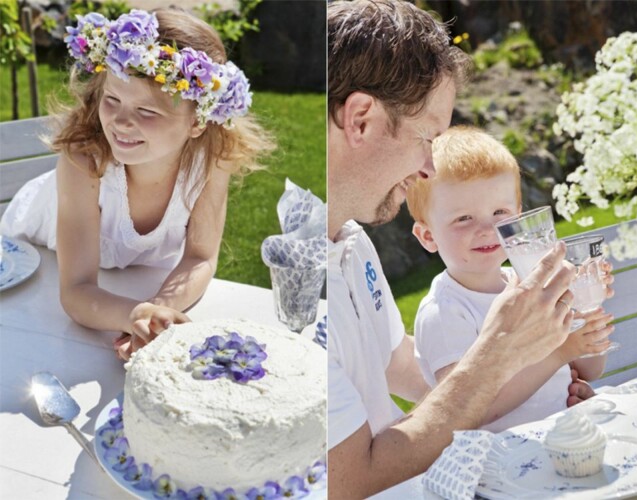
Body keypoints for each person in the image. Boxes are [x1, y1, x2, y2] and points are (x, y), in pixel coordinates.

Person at [327, 1, 593, 496]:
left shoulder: (350, 242)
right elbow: (349, 481)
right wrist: (500, 358)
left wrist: (531, 405)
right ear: (360, 120)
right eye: (427, 136)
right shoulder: (302, 285)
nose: (429, 167)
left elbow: (398, 363)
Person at [0, 9, 274, 359]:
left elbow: (200, 258)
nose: (122, 122)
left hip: (129, 276)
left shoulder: (211, 162)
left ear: (198, 122)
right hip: (40, 266)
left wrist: (156, 313)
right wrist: (134, 314)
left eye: (147, 111)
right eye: (112, 100)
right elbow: (77, 289)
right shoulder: (84, 163)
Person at [406, 126, 614, 432]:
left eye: (500, 212)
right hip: (503, 461)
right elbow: (467, 410)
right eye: (464, 218)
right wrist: (560, 353)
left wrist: (586, 312)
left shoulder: (532, 286)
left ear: (519, 216)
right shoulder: (445, 312)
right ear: (427, 236)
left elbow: (589, 369)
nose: (488, 230)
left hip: (564, 438)